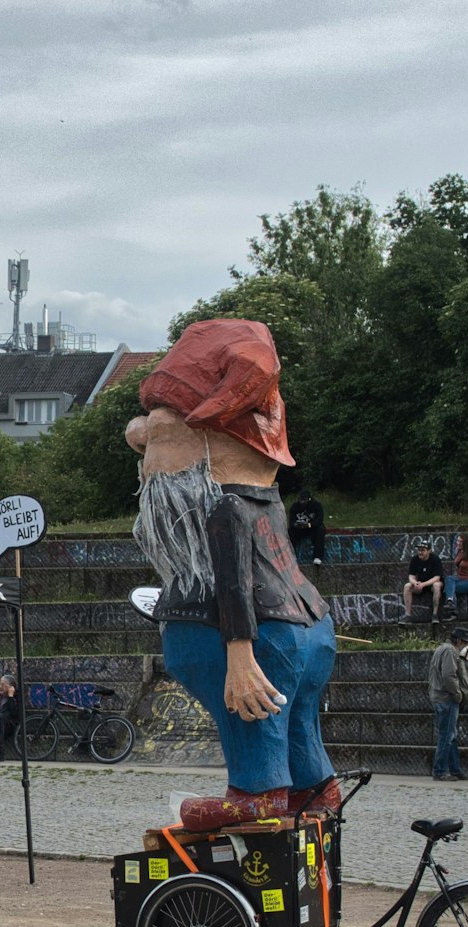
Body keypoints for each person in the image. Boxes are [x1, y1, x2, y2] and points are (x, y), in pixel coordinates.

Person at [127, 318, 337, 829]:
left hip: (257, 638)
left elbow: (234, 582)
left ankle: (257, 789)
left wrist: (238, 658)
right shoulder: (267, 501)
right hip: (310, 625)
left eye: (160, 436)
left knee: (253, 709)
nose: (143, 449)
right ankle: (315, 786)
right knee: (295, 722)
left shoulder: (222, 508)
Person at [428, 627, 468, 782]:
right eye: (464, 643)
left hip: (439, 696)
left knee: (450, 735)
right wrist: (457, 694)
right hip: (446, 698)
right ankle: (440, 770)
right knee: (446, 736)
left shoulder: (441, 648)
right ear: (459, 641)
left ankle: (455, 769)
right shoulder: (450, 651)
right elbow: (449, 676)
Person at [403, 542, 444, 623]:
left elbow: (437, 577)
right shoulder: (414, 559)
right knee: (407, 586)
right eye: (419, 550)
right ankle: (408, 615)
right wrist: (415, 583)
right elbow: (411, 576)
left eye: (423, 550)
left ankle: (435, 615)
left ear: (429, 551)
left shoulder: (435, 559)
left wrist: (423, 584)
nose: (420, 552)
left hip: (432, 584)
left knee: (436, 585)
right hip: (420, 584)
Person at [287, 486, 326, 566]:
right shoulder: (295, 507)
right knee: (290, 531)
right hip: (299, 529)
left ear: (309, 499)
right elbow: (291, 520)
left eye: (304, 500)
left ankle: (317, 557)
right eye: (301, 500)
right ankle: (291, 556)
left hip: (312, 528)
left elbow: (319, 520)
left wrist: (309, 525)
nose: (302, 502)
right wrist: (296, 525)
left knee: (320, 530)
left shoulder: (316, 506)